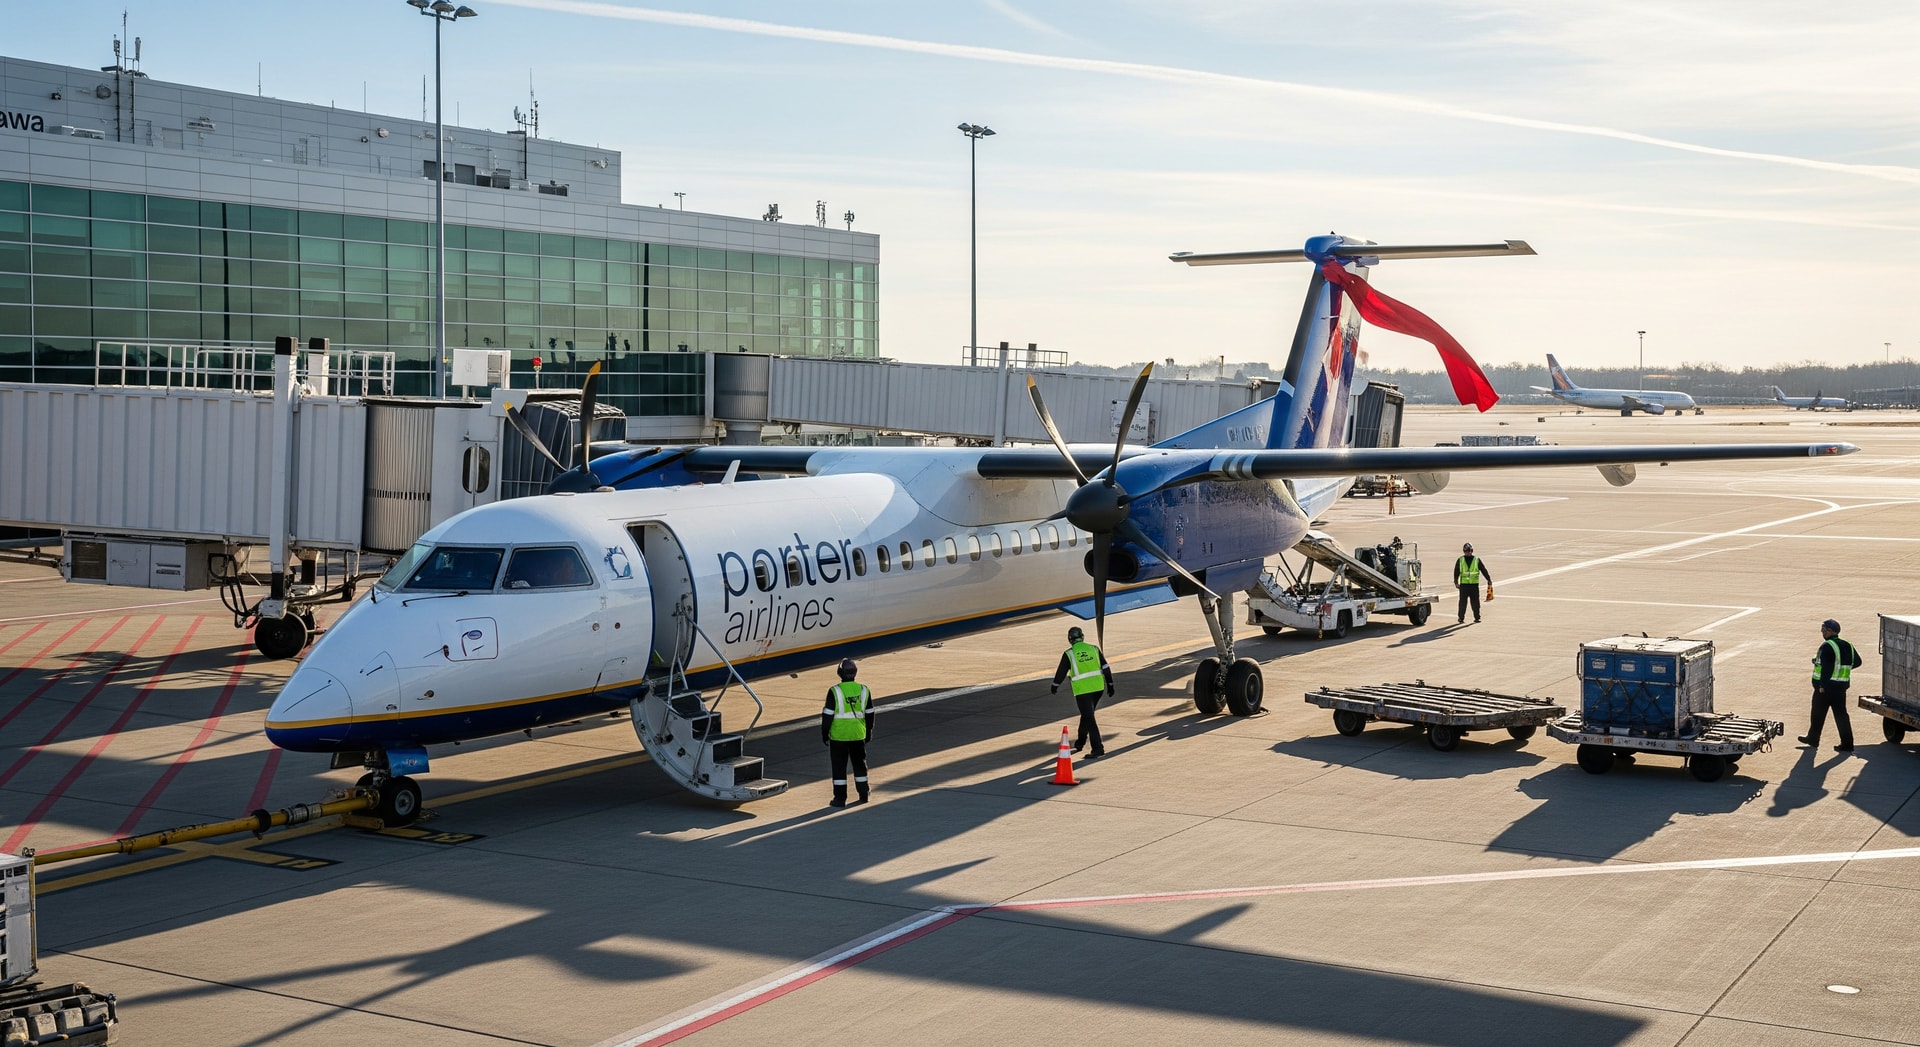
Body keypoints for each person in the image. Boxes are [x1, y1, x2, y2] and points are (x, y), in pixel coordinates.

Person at [1800, 618, 1863, 753]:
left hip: (1825, 688)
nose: (1822, 632)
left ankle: (1813, 739)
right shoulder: (1848, 644)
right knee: (1841, 716)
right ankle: (1847, 744)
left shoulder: (1827, 645)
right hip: (1841, 688)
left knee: (1817, 714)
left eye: (1823, 630)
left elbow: (1827, 668)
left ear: (1829, 631)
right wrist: (1842, 670)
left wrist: (1822, 685)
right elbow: (1857, 662)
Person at [1051, 626, 1114, 758]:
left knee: (1089, 718)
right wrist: (1110, 684)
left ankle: (1098, 748)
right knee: (1087, 715)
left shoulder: (1069, 653)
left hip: (1083, 691)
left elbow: (1061, 672)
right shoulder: (1094, 649)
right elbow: (1105, 667)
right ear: (1082, 636)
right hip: (1098, 688)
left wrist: (1055, 685)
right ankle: (1080, 742)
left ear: (1069, 639)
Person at [820, 658, 875, 806]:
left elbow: (827, 715)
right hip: (858, 735)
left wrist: (825, 734)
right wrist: (868, 731)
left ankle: (840, 799)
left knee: (839, 768)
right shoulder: (864, 690)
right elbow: (870, 713)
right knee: (860, 766)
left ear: (840, 673)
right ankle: (864, 794)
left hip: (839, 737)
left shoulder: (835, 691)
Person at [1454, 542, 1491, 624]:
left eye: (1470, 550)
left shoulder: (1476, 560)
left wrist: (1488, 579)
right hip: (1464, 585)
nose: (1469, 552)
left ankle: (1477, 617)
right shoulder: (1460, 560)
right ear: (1464, 551)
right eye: (1467, 551)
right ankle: (1461, 618)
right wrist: (1456, 582)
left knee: (1475, 603)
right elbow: (1456, 571)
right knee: (1462, 603)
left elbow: (1483, 570)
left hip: (1474, 585)